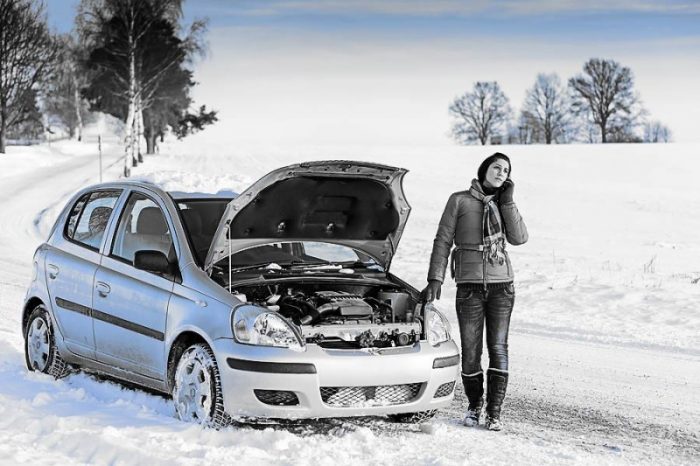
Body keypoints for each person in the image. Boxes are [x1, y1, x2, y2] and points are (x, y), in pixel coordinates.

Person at [423, 152, 528, 431]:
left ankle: (494, 412)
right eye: (497, 167)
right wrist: (436, 278)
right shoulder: (459, 200)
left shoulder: (503, 203)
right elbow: (443, 240)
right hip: (469, 285)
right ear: (485, 169)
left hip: (502, 285)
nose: (501, 173)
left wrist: (508, 202)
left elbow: (519, 238)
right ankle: (474, 405)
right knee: (471, 351)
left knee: (498, 348)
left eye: (506, 170)